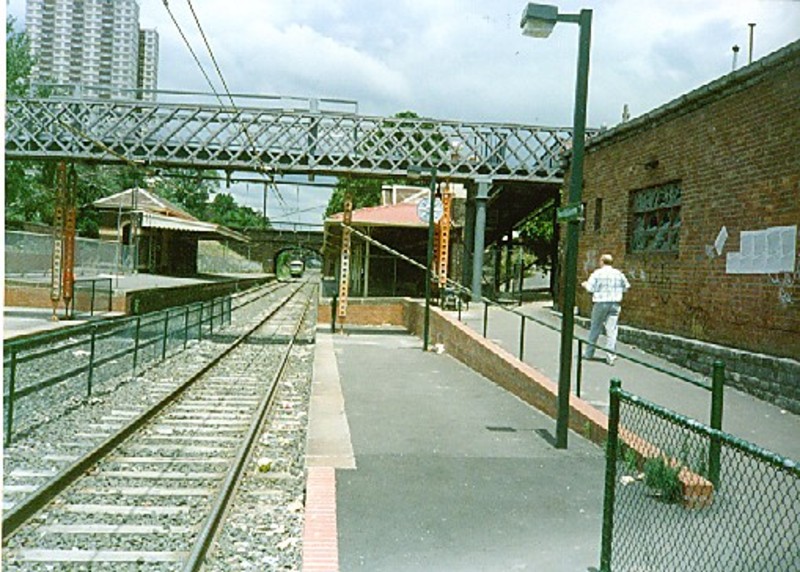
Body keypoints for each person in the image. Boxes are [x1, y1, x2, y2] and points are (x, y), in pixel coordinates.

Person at [581, 254, 630, 365]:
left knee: (595, 327)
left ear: (602, 261)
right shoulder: (618, 273)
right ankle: (610, 355)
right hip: (615, 303)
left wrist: (584, 285)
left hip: (600, 302)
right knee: (612, 330)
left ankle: (589, 352)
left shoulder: (597, 273)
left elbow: (590, 288)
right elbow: (626, 287)